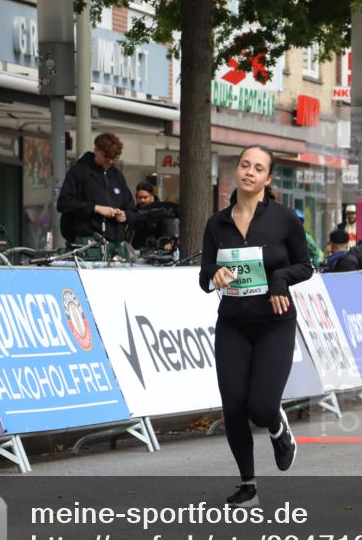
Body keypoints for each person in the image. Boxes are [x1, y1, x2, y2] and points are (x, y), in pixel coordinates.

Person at [199, 145, 313, 508]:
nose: (249, 172)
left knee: (261, 407)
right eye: (245, 165)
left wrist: (280, 279)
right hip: (233, 323)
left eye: (258, 168)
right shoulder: (217, 224)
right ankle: (247, 486)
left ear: (268, 178)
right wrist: (214, 276)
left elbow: (306, 266)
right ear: (237, 170)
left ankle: (278, 429)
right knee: (233, 406)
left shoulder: (284, 220)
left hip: (274, 322)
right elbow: (204, 277)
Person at [57, 132, 137, 250]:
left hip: (115, 243)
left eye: (114, 158)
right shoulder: (79, 172)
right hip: (87, 242)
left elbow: (132, 208)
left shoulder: (117, 176)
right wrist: (95, 208)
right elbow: (64, 204)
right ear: (96, 151)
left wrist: (126, 215)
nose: (110, 162)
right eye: (107, 157)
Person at [129, 181, 176, 251]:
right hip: (138, 249)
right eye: (140, 197)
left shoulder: (162, 210)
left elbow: (169, 228)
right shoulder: (135, 211)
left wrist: (168, 242)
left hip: (158, 250)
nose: (142, 200)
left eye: (145, 197)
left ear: (152, 197)